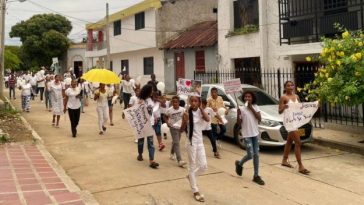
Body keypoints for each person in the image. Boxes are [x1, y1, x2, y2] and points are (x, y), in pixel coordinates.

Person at [180, 96, 209, 202]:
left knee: (204, 166)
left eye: (195, 101)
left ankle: (190, 177)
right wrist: (184, 120)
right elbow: (181, 130)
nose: (193, 103)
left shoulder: (201, 112)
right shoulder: (186, 112)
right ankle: (195, 190)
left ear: (199, 102)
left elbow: (208, 119)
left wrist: (201, 108)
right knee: (192, 165)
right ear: (189, 102)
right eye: (191, 101)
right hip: (191, 142)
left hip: (200, 141)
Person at [279, 81, 310, 175]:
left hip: (296, 121)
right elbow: (279, 111)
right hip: (289, 123)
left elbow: (300, 107)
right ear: (285, 87)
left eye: (292, 85)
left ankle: (284, 160)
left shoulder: (296, 96)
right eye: (288, 85)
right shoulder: (283, 97)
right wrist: (284, 106)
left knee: (289, 141)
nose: (290, 87)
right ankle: (300, 166)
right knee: (298, 142)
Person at [235, 91, 265, 185]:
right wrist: (239, 113)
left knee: (256, 155)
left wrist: (251, 108)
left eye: (249, 97)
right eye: (246, 97)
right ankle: (239, 163)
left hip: (255, 134)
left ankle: (256, 176)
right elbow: (239, 123)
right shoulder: (241, 109)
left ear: (252, 98)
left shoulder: (255, 107)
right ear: (244, 98)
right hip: (246, 135)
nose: (247, 98)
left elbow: (259, 118)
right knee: (250, 154)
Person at [137, 84, 159, 169]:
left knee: (150, 142)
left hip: (151, 123)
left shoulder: (151, 100)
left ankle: (152, 160)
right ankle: (140, 154)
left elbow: (152, 110)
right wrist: (140, 104)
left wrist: (155, 117)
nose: (152, 92)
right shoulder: (139, 100)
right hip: (142, 124)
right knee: (141, 141)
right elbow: (136, 112)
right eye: (151, 90)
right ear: (147, 91)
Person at [165, 96, 187, 167]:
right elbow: (165, 116)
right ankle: (180, 160)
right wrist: (167, 123)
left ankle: (172, 153)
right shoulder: (169, 110)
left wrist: (184, 126)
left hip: (180, 128)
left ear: (179, 102)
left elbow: (185, 117)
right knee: (177, 143)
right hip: (173, 127)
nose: (175, 103)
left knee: (176, 142)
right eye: (173, 102)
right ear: (172, 102)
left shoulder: (183, 110)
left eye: (176, 102)